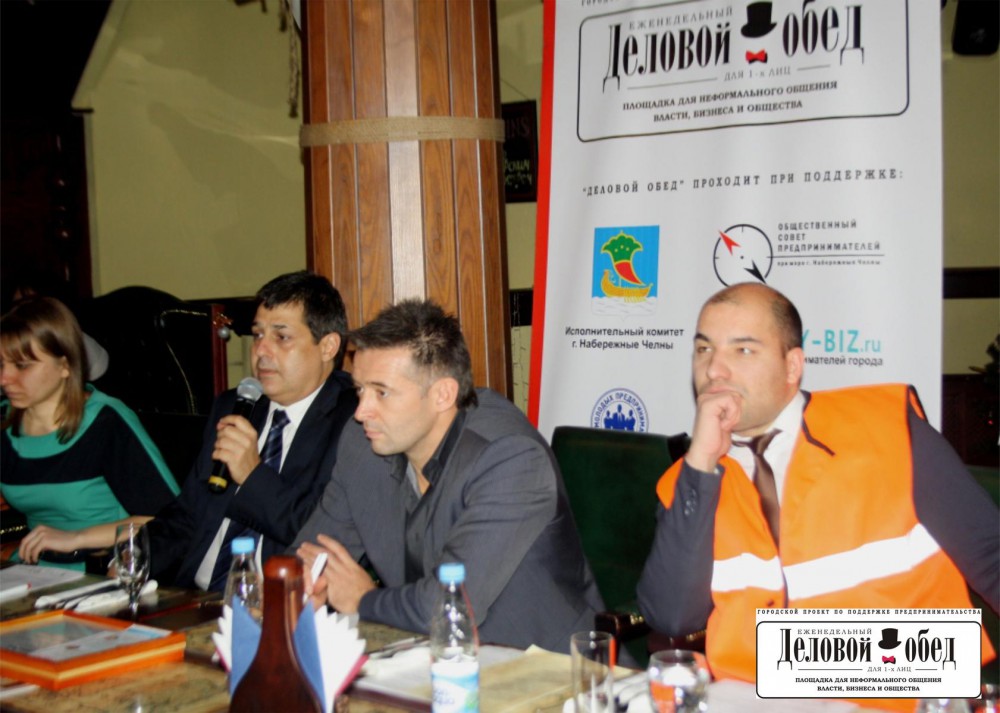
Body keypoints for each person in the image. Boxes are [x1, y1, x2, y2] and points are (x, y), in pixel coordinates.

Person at [637, 283, 998, 710]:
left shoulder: (888, 429)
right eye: (703, 349)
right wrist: (700, 464)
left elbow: (991, 556)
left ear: (792, 366)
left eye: (743, 350)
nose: (715, 369)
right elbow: (673, 616)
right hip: (751, 699)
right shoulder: (688, 481)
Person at [295, 299, 604, 652]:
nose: (362, 411)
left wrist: (362, 599)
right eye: (360, 390)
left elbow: (449, 605)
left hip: (545, 666)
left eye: (381, 392)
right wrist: (300, 583)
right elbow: (311, 552)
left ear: (443, 394)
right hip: (423, 657)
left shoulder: (511, 458)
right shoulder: (363, 443)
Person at [141, 271, 359, 590]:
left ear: (328, 346)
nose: (261, 351)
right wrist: (135, 559)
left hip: (280, 604)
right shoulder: (235, 405)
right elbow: (189, 513)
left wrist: (252, 475)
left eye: (281, 337)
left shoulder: (354, 420)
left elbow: (322, 537)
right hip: (195, 597)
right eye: (257, 335)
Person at [1, 296, 179, 569]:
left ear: (65, 365)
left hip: (104, 569)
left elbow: (169, 519)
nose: (4, 379)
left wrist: (76, 538)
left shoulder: (105, 422)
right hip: (34, 571)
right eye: (1, 365)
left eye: (22, 366)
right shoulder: (4, 421)